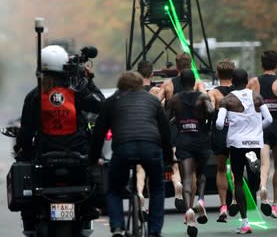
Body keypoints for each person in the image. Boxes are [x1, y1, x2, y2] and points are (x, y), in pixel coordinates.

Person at [15, 45, 105, 236]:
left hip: (45, 155)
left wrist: (22, 148)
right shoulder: (77, 91)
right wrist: (88, 81)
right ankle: (89, 209)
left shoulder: (34, 96)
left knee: (24, 171)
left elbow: (26, 130)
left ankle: (29, 224)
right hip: (78, 155)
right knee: (98, 166)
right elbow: (101, 106)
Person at [89, 71, 173, 237]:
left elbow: (99, 133)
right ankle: (155, 231)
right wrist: (168, 158)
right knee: (157, 188)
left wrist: (93, 158)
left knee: (114, 190)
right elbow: (165, 132)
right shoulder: (152, 100)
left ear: (120, 85)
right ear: (141, 84)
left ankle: (118, 228)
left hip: (123, 148)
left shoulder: (112, 101)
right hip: (151, 148)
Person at [216, 68, 273, 234]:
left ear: (232, 81)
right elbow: (269, 119)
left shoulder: (227, 100)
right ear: (247, 80)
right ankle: (256, 182)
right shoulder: (257, 96)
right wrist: (256, 129)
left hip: (237, 143)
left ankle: (245, 223)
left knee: (239, 181)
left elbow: (219, 124)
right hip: (255, 141)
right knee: (253, 179)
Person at [167, 69, 214, 237]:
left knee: (187, 178)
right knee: (200, 175)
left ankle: (189, 212)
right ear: (194, 82)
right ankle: (201, 199)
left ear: (180, 82)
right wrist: (206, 126)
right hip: (201, 141)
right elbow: (211, 111)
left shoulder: (175, 99)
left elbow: (167, 119)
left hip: (183, 142)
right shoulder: (202, 97)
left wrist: (178, 121)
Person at [158, 52, 205, 211]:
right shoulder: (198, 84)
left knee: (176, 164)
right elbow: (207, 100)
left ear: (177, 66)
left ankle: (177, 185)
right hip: (193, 127)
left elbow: (156, 102)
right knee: (191, 170)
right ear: (191, 64)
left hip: (173, 127)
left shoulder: (168, 84)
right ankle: (190, 204)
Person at [247, 50, 277, 219]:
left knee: (264, 164)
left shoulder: (253, 83)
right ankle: (276, 205)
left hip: (260, 127)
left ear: (261, 64)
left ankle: (263, 186)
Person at [208, 59, 236, 222]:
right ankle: (235, 200)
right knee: (235, 168)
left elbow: (210, 109)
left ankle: (223, 205)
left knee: (220, 169)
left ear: (218, 74)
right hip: (237, 132)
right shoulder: (239, 92)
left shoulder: (214, 93)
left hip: (220, 133)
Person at [136, 60, 160, 207]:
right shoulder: (157, 92)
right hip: (152, 135)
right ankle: (151, 204)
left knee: (140, 169)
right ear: (152, 74)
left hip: (137, 134)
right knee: (153, 171)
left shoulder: (133, 93)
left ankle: (139, 192)